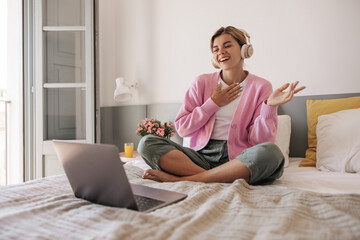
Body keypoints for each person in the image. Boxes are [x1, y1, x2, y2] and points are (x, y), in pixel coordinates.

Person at [137, 26, 305, 185]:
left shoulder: (261, 86)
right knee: (147, 143)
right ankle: (214, 177)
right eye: (216, 49)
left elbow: (259, 141)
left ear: (244, 49)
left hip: (239, 160)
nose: (221, 52)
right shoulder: (201, 82)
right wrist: (212, 104)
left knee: (272, 153)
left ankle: (187, 180)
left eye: (227, 45)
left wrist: (269, 107)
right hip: (199, 157)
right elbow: (182, 128)